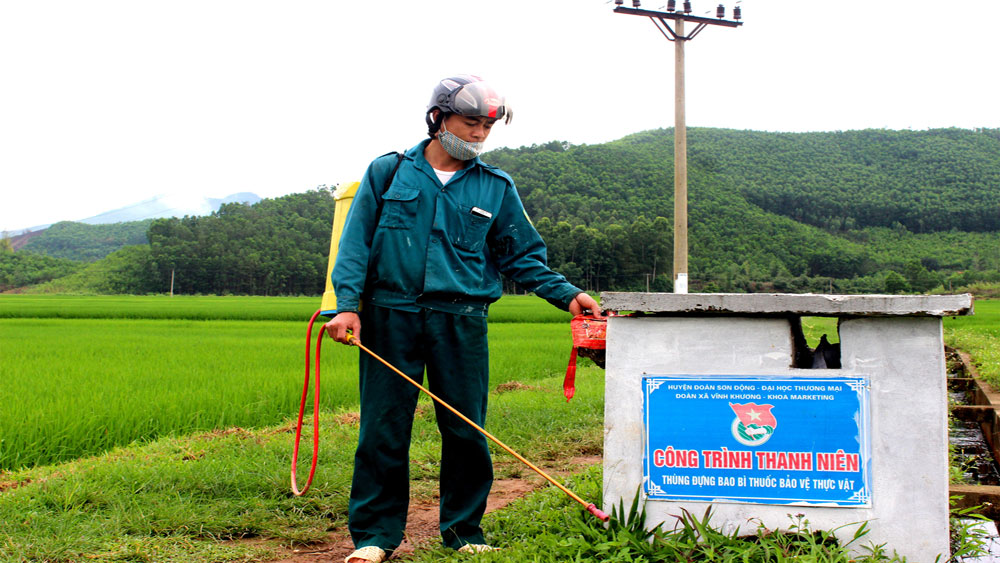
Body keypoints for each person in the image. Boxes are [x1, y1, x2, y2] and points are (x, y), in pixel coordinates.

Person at [324, 74, 601, 563]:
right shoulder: (388, 173)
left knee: (466, 428)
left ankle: (463, 531)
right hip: (391, 316)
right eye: (470, 123)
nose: (477, 135)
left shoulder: (496, 186)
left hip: (461, 318)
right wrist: (346, 305)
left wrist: (567, 294)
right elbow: (356, 244)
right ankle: (375, 537)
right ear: (438, 119)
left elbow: (522, 256)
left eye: (486, 128)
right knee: (383, 428)